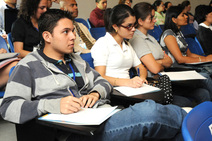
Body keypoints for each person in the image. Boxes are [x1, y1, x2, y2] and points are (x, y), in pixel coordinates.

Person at [0, 8, 188, 141]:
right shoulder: (28, 66)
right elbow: (8, 107)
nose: (73, 36)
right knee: (149, 112)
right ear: (47, 37)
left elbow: (102, 81)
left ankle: (192, 123)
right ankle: (192, 120)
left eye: (73, 30)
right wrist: (53, 104)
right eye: (65, 32)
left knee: (168, 133)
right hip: (74, 133)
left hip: (100, 116)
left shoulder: (75, 60)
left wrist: (95, 93)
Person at [130, 2, 210, 106]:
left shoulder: (151, 38)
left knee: (203, 93)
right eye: (151, 18)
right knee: (189, 99)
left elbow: (169, 61)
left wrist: (156, 62)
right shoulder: (137, 38)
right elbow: (155, 69)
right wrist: (158, 63)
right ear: (140, 21)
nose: (155, 20)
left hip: (165, 78)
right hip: (156, 83)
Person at [160, 5, 212, 100]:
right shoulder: (168, 35)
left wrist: (206, 58)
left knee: (204, 91)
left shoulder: (179, 33)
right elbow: (180, 59)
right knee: (206, 77)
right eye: (183, 15)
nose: (186, 17)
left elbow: (189, 54)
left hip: (185, 65)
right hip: (176, 68)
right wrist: (204, 59)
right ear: (174, 19)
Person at [91, 4, 148, 88]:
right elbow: (100, 76)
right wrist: (128, 82)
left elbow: (141, 68)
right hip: (112, 89)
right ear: (115, 26)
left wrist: (141, 78)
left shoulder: (127, 45)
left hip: (129, 89)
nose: (133, 29)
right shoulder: (102, 43)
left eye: (134, 25)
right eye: (129, 26)